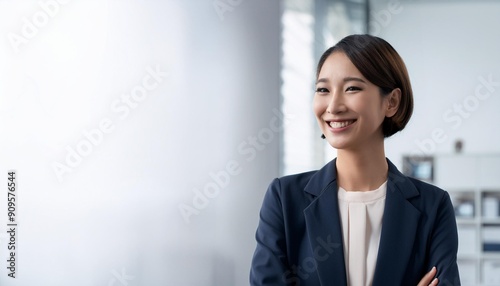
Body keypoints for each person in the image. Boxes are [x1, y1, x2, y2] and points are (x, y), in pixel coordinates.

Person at [249, 34, 460, 286]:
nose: (334, 105)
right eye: (323, 90)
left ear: (391, 102)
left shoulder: (433, 206)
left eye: (352, 88)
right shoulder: (284, 199)